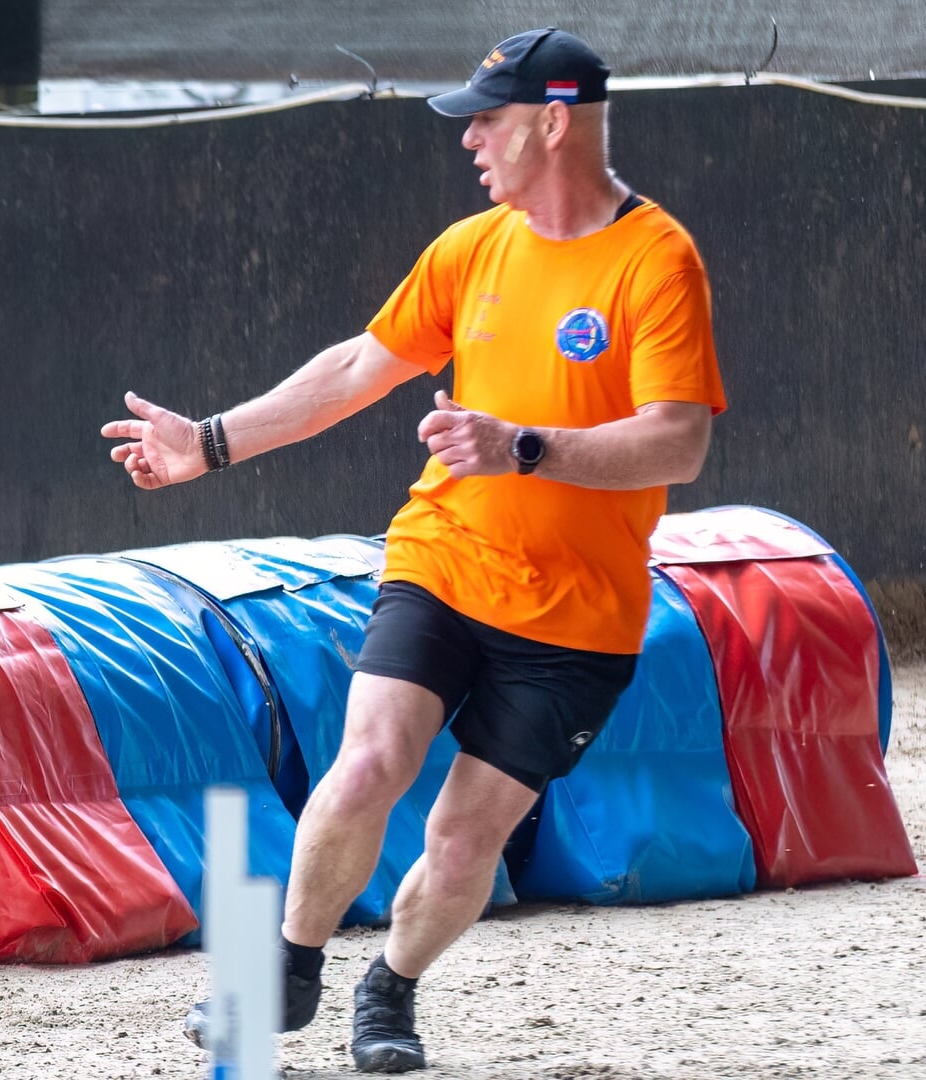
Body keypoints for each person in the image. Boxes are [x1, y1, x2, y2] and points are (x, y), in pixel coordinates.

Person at [100, 27, 725, 1074]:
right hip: (445, 557)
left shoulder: (657, 260)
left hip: (579, 616)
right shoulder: (471, 246)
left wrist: (522, 446)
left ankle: (389, 990)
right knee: (367, 764)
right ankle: (281, 974)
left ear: (553, 120)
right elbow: (354, 368)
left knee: (462, 836)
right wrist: (208, 444)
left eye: (488, 118)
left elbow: (681, 440)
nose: (471, 139)